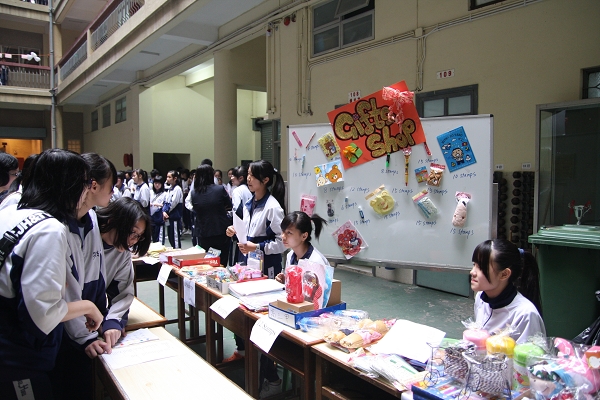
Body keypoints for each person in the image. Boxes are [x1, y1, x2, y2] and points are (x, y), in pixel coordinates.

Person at [0, 149, 103, 400]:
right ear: (69, 186)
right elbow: (42, 314)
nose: (86, 192)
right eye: (84, 184)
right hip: (17, 358)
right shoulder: (49, 229)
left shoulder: (10, 213)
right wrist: (88, 307)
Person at [52, 153, 117, 399]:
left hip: (90, 320)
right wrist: (83, 337)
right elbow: (66, 291)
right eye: (111, 186)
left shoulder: (90, 216)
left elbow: (94, 270)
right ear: (93, 186)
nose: (113, 192)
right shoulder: (58, 227)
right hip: (67, 330)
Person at [225, 160, 286, 395]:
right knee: (244, 312)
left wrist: (257, 247)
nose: (248, 179)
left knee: (263, 322)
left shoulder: (273, 207)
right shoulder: (250, 202)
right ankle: (246, 353)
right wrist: (234, 232)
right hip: (249, 265)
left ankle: (271, 378)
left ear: (266, 180)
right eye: (248, 174)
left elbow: (282, 243)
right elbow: (246, 232)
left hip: (268, 268)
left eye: (252, 175)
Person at [96, 197, 152, 347]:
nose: (133, 240)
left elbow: (122, 293)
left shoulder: (122, 253)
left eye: (138, 236)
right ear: (113, 221)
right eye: (132, 232)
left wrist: (113, 321)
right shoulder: (87, 239)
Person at [470, 238, 545, 344]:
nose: (472, 272)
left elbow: (529, 353)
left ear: (504, 274)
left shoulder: (525, 314)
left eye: (481, 267)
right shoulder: (481, 298)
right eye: (474, 265)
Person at [189, 164, 232, 263]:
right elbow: (229, 205)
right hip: (220, 230)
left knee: (207, 261)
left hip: (203, 232)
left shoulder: (194, 193)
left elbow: (195, 208)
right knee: (222, 261)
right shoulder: (219, 189)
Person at [275, 211, 329, 284]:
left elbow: (320, 290)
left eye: (289, 233)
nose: (283, 236)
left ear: (304, 236)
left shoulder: (316, 262)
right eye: (283, 231)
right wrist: (285, 281)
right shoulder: (290, 256)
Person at [163, 170, 183, 248]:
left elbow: (173, 203)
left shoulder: (177, 189)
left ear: (175, 178)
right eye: (167, 177)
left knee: (175, 238)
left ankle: (178, 253)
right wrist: (164, 211)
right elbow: (166, 201)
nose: (167, 179)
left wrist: (166, 211)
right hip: (169, 216)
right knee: (171, 237)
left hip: (174, 217)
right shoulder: (170, 188)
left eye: (169, 177)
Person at [150, 175, 167, 243]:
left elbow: (166, 205)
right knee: (153, 238)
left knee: (159, 239)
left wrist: (158, 205)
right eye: (155, 183)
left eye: (159, 183)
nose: (157, 185)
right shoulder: (150, 192)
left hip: (159, 217)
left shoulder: (165, 194)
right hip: (151, 217)